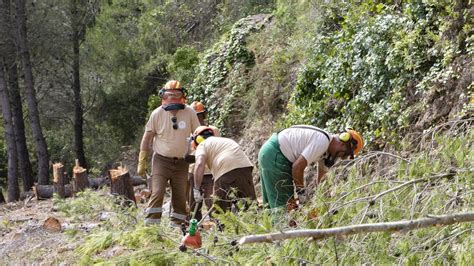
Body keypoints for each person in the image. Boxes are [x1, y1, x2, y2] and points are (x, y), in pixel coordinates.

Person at [137, 80, 201, 226]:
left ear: (182, 96)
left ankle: (177, 226)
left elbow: (198, 135)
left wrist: (199, 155)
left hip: (182, 162)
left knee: (179, 196)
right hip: (161, 160)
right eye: (169, 95)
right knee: (157, 192)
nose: (172, 99)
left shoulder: (189, 112)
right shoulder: (157, 114)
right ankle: (151, 227)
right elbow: (147, 137)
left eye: (176, 95)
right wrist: (142, 160)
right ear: (163, 96)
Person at [258, 125, 364, 209]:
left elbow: (322, 181)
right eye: (344, 154)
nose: (341, 158)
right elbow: (297, 168)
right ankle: (282, 234)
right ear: (342, 144)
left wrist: (325, 202)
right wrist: (302, 194)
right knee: (283, 208)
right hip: (276, 154)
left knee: (270, 208)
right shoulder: (322, 142)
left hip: (272, 153)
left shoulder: (326, 151)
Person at [192, 126, 256, 212]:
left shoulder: (202, 145)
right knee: (248, 205)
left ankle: (221, 225)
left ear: (198, 139)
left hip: (225, 170)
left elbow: (199, 164)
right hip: (245, 167)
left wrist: (196, 188)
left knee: (220, 211)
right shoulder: (226, 140)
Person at [187, 101, 216, 221]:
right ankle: (195, 231)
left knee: (212, 204)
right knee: (193, 205)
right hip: (193, 172)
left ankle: (219, 227)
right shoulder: (188, 134)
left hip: (209, 173)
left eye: (199, 116)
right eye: (195, 116)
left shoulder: (212, 130)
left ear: (204, 116)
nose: (197, 119)